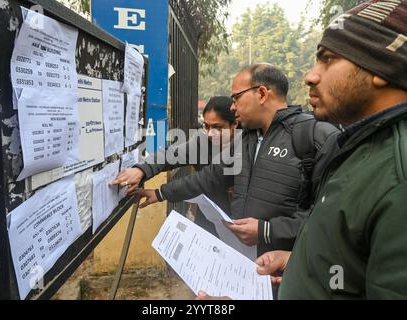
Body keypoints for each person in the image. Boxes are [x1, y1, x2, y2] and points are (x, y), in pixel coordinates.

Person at [203, 0, 407, 300]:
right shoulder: (357, 147)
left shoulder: (397, 175)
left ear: (381, 66)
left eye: (328, 59)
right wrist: (301, 263)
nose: (310, 76)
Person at [136, 64, 339, 256]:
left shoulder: (317, 138)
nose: (233, 107)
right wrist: (161, 192)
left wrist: (266, 230)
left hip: (287, 268)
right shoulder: (248, 139)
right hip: (244, 259)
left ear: (261, 93)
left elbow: (329, 217)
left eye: (236, 98)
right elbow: (211, 176)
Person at [109, 96, 239, 236]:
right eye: (206, 126)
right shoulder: (202, 142)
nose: (210, 133)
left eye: (218, 127)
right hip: (210, 219)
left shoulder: (247, 146)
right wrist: (141, 170)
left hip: (241, 223)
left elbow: (202, 180)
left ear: (234, 124)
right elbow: (170, 155)